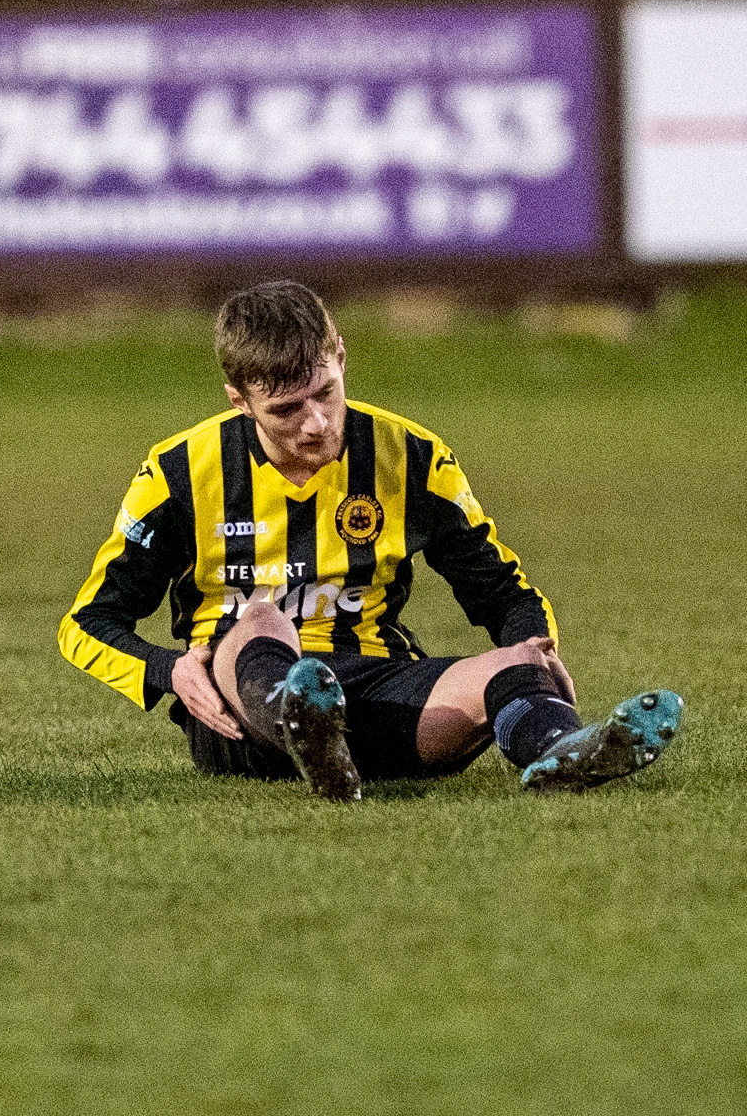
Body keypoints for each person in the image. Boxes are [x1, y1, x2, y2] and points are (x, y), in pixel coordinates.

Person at [58, 280, 682, 801]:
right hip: (241, 717)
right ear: (240, 400)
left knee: (512, 666)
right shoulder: (179, 473)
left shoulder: (411, 455)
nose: (316, 423)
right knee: (260, 618)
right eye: (286, 410)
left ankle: (562, 750)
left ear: (341, 356)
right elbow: (87, 622)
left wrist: (535, 649)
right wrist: (169, 671)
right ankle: (303, 721)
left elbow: (500, 589)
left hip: (378, 689)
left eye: (325, 393)